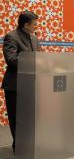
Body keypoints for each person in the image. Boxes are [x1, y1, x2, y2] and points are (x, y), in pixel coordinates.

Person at [1, 11, 39, 152]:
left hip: (31, 84)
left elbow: (40, 57)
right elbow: (11, 60)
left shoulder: (34, 38)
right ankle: (19, 145)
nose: (37, 27)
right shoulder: (11, 36)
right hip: (15, 85)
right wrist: (33, 62)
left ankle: (28, 143)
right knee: (17, 117)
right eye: (34, 25)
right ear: (25, 25)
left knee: (29, 116)